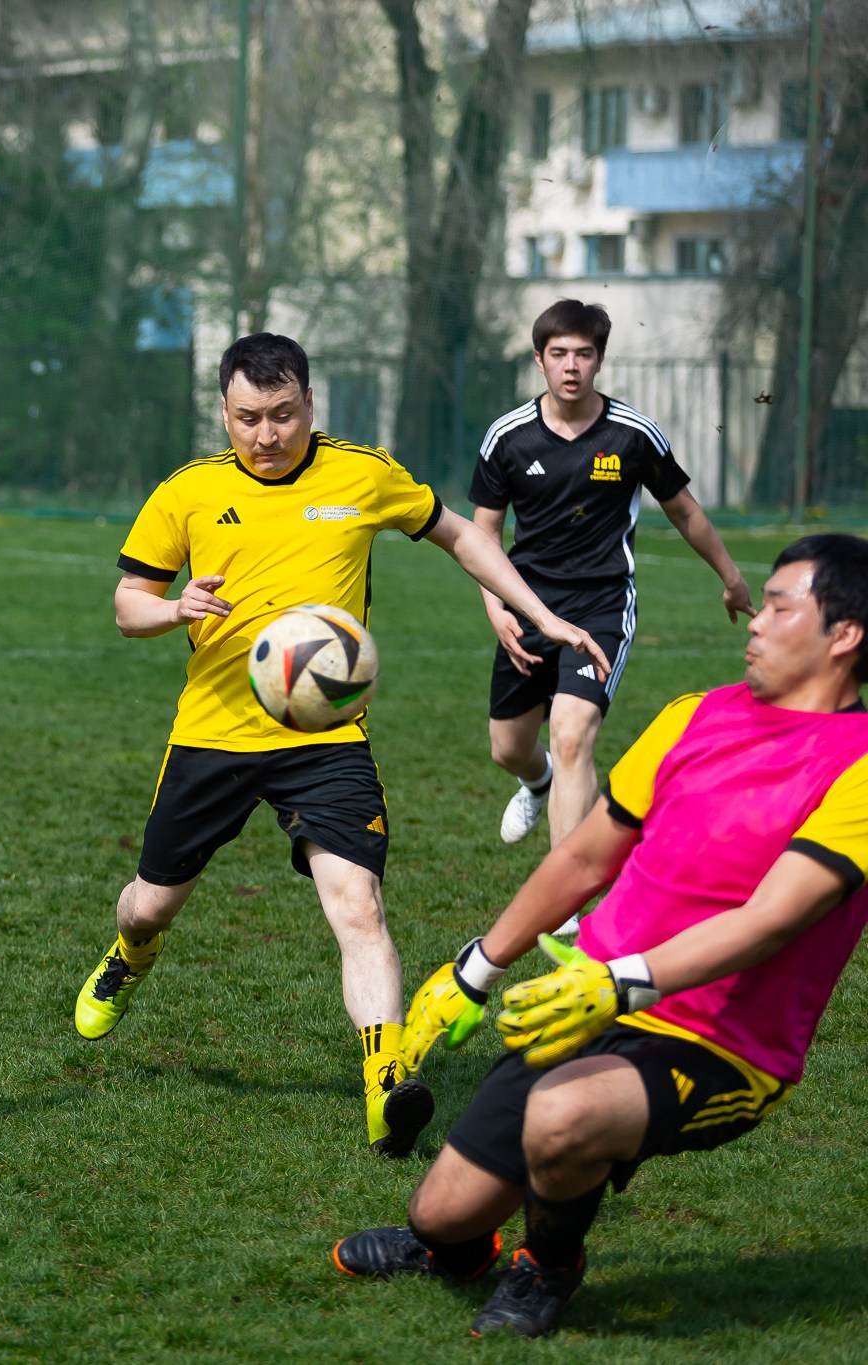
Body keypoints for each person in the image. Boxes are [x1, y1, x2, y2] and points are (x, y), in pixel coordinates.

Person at [70, 333, 611, 1157]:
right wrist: (174, 608)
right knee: (150, 900)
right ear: (223, 412)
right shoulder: (188, 491)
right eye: (248, 417)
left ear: (311, 404)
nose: (265, 434)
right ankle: (129, 953)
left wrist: (537, 613)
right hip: (213, 734)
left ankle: (386, 1078)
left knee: (358, 906)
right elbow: (125, 604)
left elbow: (462, 535)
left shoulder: (363, 474)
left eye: (282, 414)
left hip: (326, 738)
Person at [333, 536, 868, 1338]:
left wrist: (618, 982)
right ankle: (455, 1248)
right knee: (439, 1213)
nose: (755, 620)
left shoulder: (857, 761)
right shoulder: (698, 712)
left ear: (845, 634)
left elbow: (770, 920)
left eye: (783, 604)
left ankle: (548, 1265)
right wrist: (476, 967)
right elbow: (585, 855)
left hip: (718, 1043)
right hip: (588, 1005)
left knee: (561, 1117)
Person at [472, 300, 750, 858]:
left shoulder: (632, 434)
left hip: (600, 606)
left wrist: (732, 577)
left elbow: (686, 512)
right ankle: (538, 782)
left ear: (599, 360)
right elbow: (484, 534)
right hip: (527, 606)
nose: (571, 366)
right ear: (539, 360)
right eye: (559, 354)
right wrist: (496, 608)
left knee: (571, 735)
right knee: (508, 748)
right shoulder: (507, 437)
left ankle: (564, 902)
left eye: (583, 354)